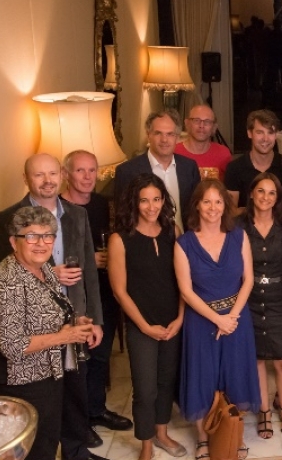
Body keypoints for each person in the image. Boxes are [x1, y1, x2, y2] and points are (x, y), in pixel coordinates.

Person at [0, 153, 105, 457]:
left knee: (67, 405)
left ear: (61, 175)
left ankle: (76, 452)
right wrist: (65, 333)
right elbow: (11, 339)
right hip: (22, 366)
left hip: (61, 339)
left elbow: (89, 271)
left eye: (48, 237)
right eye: (39, 174)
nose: (41, 243)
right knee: (31, 433)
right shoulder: (4, 231)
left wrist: (88, 320)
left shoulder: (76, 216)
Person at [175, 180, 259, 460]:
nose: (213, 208)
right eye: (207, 201)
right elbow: (186, 291)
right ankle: (202, 438)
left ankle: (236, 435)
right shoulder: (184, 243)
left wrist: (231, 317)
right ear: (197, 205)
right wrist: (217, 320)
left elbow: (248, 279)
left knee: (236, 375)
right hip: (201, 322)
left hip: (237, 319)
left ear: (226, 206)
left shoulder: (239, 236)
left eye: (218, 202)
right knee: (203, 378)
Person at [108, 174, 186, 460]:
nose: (151, 206)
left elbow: (184, 281)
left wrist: (180, 318)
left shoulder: (173, 231)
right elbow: (119, 291)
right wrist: (144, 326)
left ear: (164, 200)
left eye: (156, 199)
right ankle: (146, 446)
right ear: (134, 202)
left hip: (172, 322)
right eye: (144, 200)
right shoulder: (120, 239)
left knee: (166, 382)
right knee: (145, 389)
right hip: (141, 325)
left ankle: (162, 434)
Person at [61, 150, 133, 438]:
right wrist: (89, 259)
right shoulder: (58, 209)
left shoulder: (102, 204)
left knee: (101, 355)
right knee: (79, 361)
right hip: (72, 295)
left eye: (92, 170)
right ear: (67, 174)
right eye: (80, 170)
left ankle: (96, 409)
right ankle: (80, 422)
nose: (88, 176)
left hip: (102, 289)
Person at [241, 172, 282, 439]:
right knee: (256, 359)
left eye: (271, 193)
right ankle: (264, 410)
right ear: (252, 193)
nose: (265, 197)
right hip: (249, 298)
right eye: (260, 191)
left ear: (277, 197)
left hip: (281, 297)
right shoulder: (238, 225)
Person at [114, 110, 201, 230]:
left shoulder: (189, 167)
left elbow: (197, 210)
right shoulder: (127, 171)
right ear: (148, 135)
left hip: (185, 238)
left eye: (170, 134)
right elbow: (123, 218)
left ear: (177, 137)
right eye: (158, 133)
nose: (164, 140)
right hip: (145, 240)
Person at [226, 109, 282, 208]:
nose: (265, 138)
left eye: (270, 133)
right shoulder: (234, 169)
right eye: (260, 132)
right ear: (249, 133)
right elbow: (231, 211)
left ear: (276, 135)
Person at [175, 104, 233, 181]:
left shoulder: (223, 153)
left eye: (207, 122)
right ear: (187, 123)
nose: (201, 126)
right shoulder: (174, 152)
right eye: (196, 120)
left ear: (214, 127)